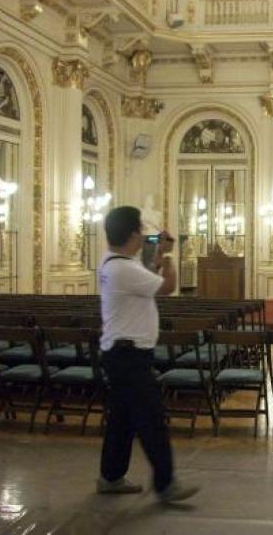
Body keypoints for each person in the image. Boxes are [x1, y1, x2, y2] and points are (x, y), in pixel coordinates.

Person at [96, 206, 199, 503]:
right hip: (129, 357)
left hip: (120, 354)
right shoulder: (124, 268)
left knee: (122, 421)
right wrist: (166, 257)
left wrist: (155, 260)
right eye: (140, 231)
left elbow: (144, 280)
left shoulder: (113, 262)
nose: (143, 235)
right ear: (131, 235)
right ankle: (166, 484)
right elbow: (167, 287)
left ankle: (111, 477)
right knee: (152, 420)